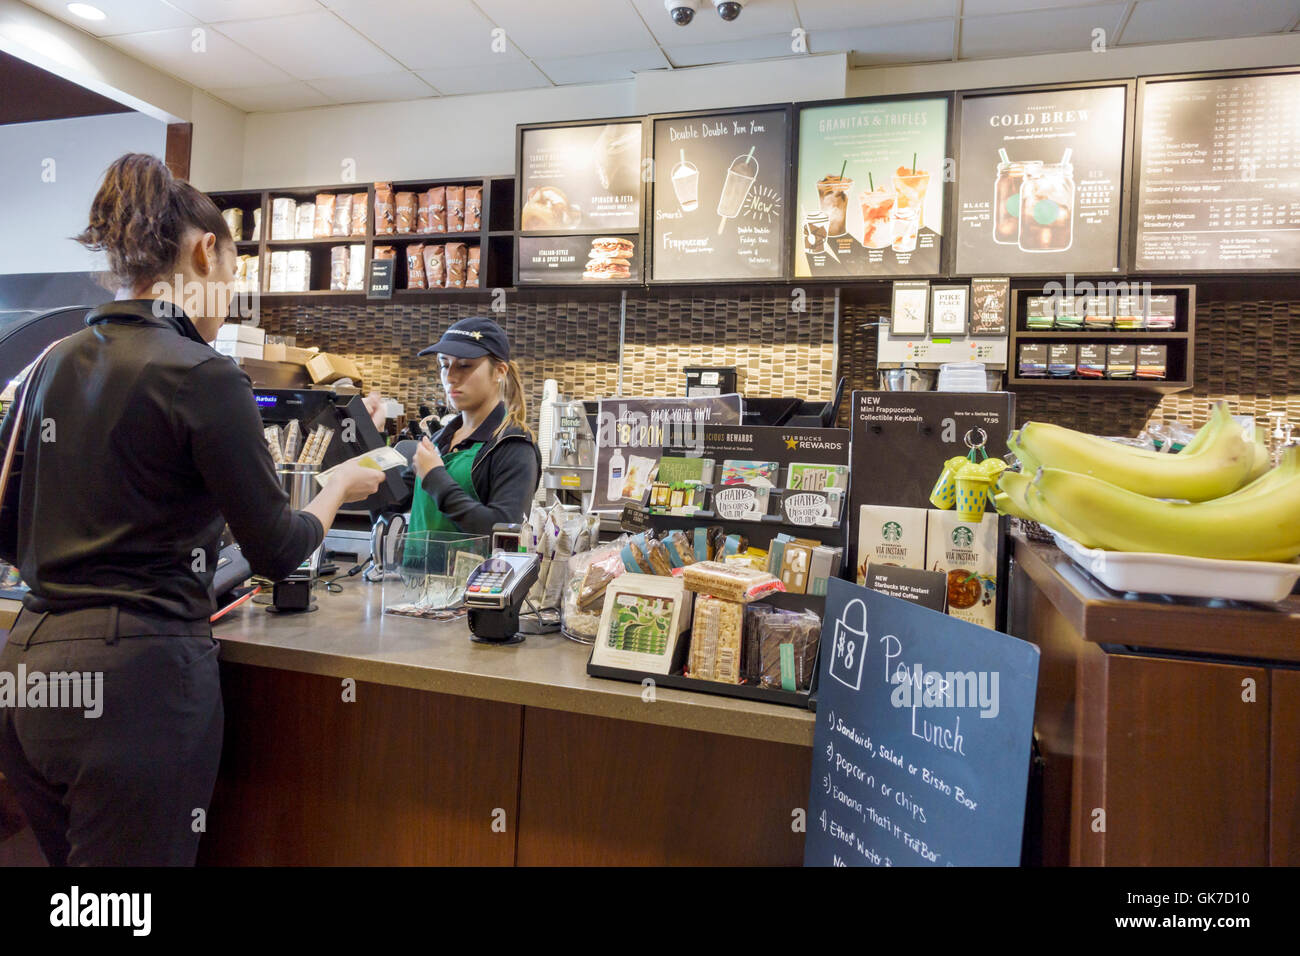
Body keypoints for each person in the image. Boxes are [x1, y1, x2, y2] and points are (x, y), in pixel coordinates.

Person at [0, 153, 385, 866]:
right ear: (206, 252)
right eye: (233, 278)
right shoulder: (204, 373)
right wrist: (334, 489)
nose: (227, 298)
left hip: (28, 667)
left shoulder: (52, 360)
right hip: (134, 685)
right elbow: (278, 549)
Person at [372, 317, 540, 537]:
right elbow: (386, 506)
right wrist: (373, 437)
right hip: (414, 572)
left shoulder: (513, 445)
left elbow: (504, 534)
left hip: (477, 572)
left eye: (464, 365)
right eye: (444, 364)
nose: (450, 377)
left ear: (499, 371)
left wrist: (434, 477)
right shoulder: (440, 440)